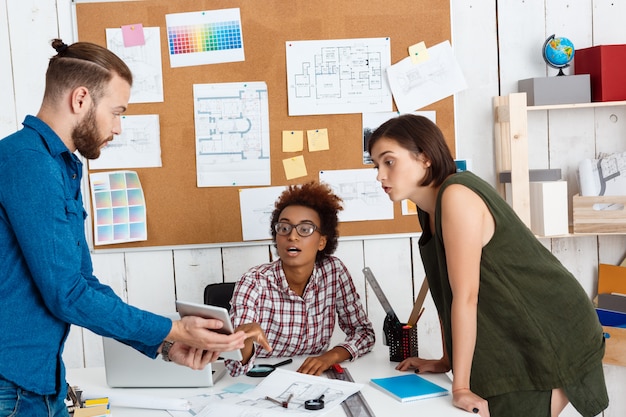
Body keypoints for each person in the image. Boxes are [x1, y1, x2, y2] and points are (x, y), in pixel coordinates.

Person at [0, 39, 263, 417]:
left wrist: (165, 346)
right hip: (14, 388)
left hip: (39, 381)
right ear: (80, 99)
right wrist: (173, 330)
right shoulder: (29, 163)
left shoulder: (58, 165)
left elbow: (82, 284)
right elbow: (68, 295)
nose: (119, 127)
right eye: (116, 111)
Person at [367, 114, 608, 417]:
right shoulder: (427, 208)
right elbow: (446, 291)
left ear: (425, 157)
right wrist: (446, 360)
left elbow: (466, 298)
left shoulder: (457, 196)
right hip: (515, 330)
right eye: (376, 165)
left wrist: (460, 387)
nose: (379, 176)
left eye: (389, 162)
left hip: (552, 327)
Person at [224, 181, 376, 377]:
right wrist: (244, 338)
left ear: (322, 241)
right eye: (284, 228)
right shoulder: (253, 281)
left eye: (305, 229)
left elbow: (364, 333)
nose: (292, 236)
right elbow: (234, 366)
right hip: (260, 375)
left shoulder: (334, 271)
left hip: (314, 377)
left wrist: (329, 357)